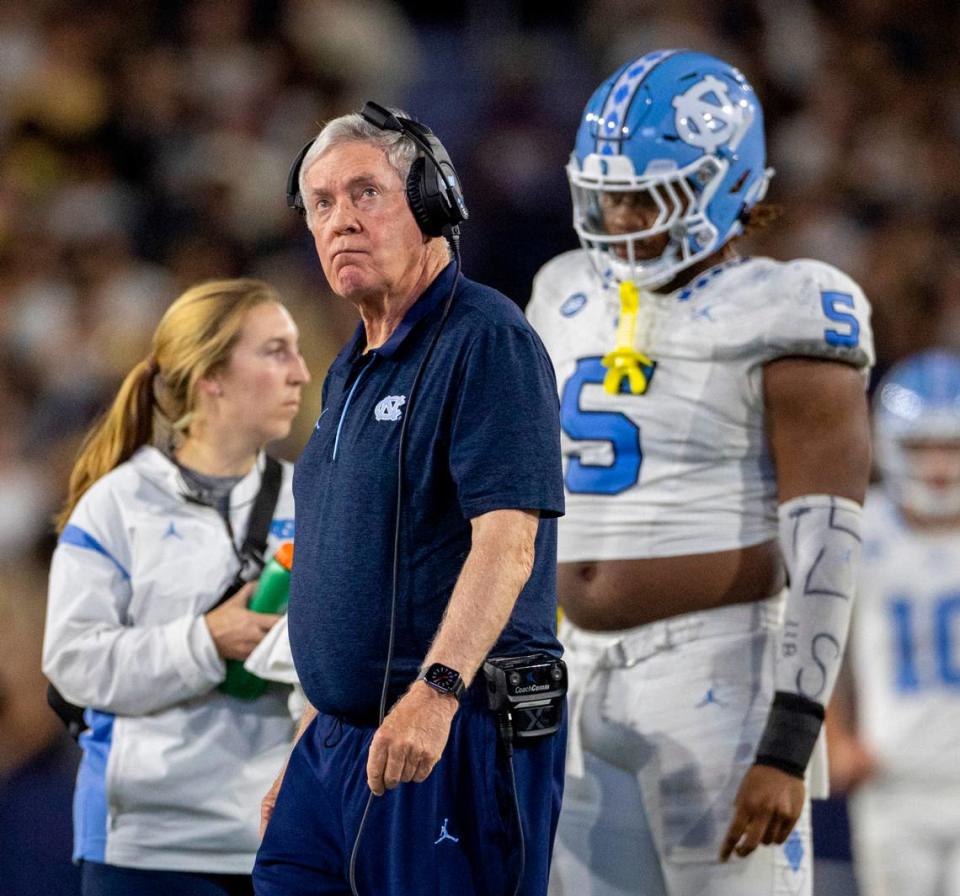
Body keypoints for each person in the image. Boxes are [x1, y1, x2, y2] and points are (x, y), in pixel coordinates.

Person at [525, 49, 873, 896]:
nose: (619, 213)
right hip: (571, 671)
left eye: (648, 193)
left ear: (728, 186)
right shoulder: (562, 288)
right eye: (607, 190)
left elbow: (827, 537)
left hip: (718, 669)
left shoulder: (790, 305)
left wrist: (790, 740)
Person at [253, 105, 566, 896]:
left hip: (443, 732)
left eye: (366, 193)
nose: (340, 221)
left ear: (432, 204)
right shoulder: (350, 367)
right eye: (321, 203)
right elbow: (346, 570)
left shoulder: (486, 339)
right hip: (336, 749)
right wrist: (310, 735)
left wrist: (436, 693)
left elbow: (507, 544)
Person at [42, 278, 310, 896]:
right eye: (274, 351)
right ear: (211, 375)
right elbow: (72, 662)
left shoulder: (311, 497)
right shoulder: (117, 503)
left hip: (280, 832)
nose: (299, 372)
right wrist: (206, 641)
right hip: (146, 844)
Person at [827, 349, 960, 896]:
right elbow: (824, 644)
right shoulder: (862, 531)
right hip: (893, 776)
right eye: (921, 447)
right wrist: (836, 737)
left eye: (951, 447)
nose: (937, 467)